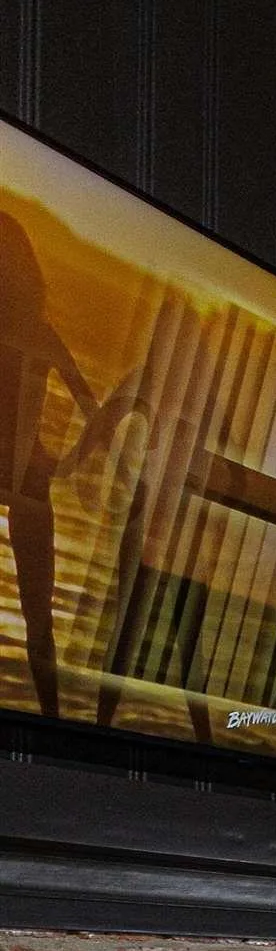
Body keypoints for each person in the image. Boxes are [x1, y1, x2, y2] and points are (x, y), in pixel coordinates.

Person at [0, 204, 109, 720]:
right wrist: (63, 464)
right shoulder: (40, 333)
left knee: (39, 619)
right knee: (38, 620)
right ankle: (52, 727)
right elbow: (96, 417)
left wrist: (62, 465)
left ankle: (52, 724)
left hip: (29, 484)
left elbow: (93, 415)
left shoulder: (37, 334)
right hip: (29, 483)